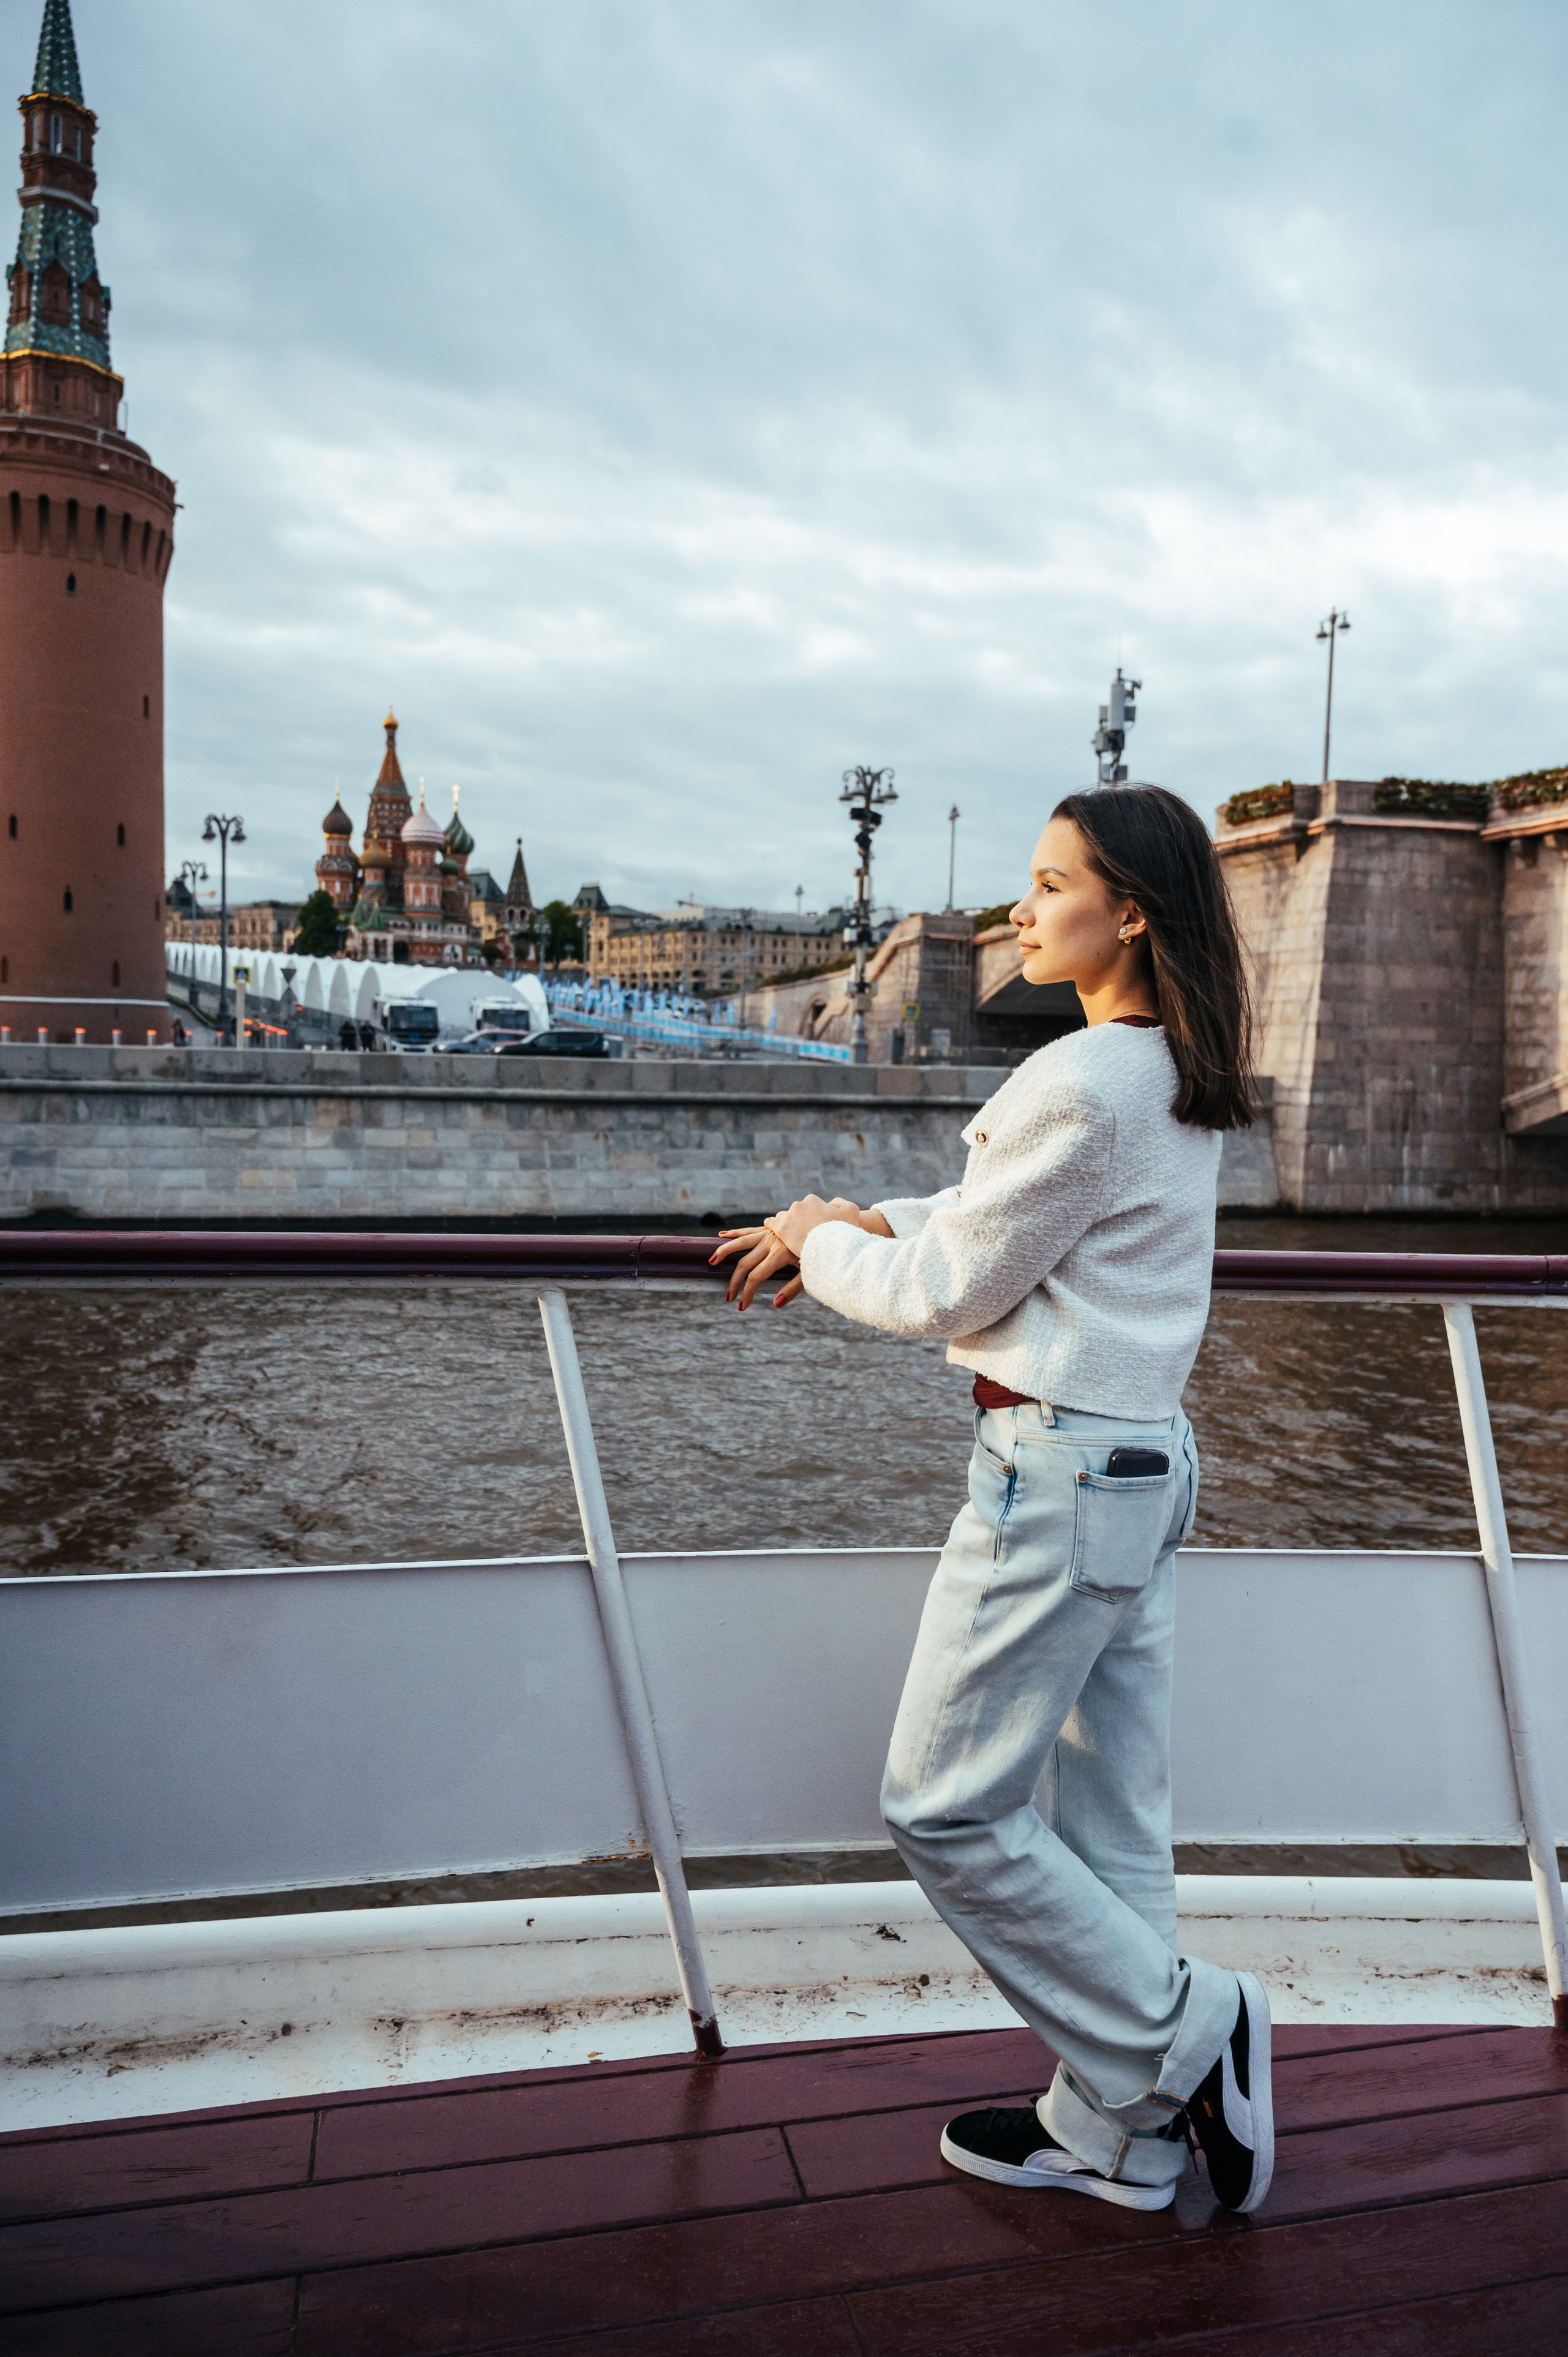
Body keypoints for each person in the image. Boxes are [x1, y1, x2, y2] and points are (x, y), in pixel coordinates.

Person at [712, 784, 1271, 2217]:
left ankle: (1182, 2035)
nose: (1014, 911)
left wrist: (823, 1251)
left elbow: (952, 1286)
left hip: (1059, 1472)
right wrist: (845, 1218)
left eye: (1044, 883)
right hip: (1138, 1464)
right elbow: (1001, 1228)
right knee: (1106, 1821)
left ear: (1126, 911)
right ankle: (1119, 2134)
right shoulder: (1163, 1072)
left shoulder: (1080, 1080)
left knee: (943, 1807)